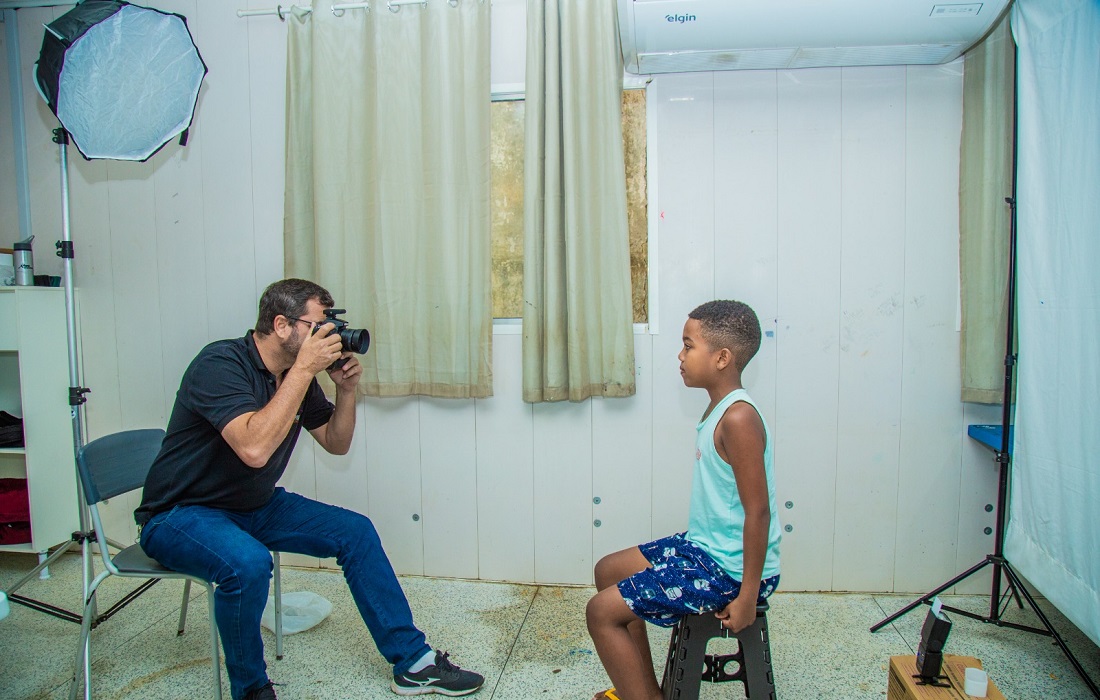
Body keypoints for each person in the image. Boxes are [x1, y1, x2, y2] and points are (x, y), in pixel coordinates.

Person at [135, 278, 484, 700]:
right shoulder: (219, 364)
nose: (329, 336)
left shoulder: (294, 376)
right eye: (318, 326)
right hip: (180, 515)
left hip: (254, 506)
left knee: (355, 531)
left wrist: (346, 391)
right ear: (282, 325)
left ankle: (413, 663)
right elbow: (254, 449)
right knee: (248, 564)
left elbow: (337, 444)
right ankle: (251, 690)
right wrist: (302, 370)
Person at [585, 300, 782, 700]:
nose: (680, 355)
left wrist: (747, 595)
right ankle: (642, 690)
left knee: (600, 612)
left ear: (722, 358)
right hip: (706, 549)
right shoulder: (719, 408)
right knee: (608, 569)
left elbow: (758, 512)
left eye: (688, 346)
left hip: (730, 569)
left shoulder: (739, 419)